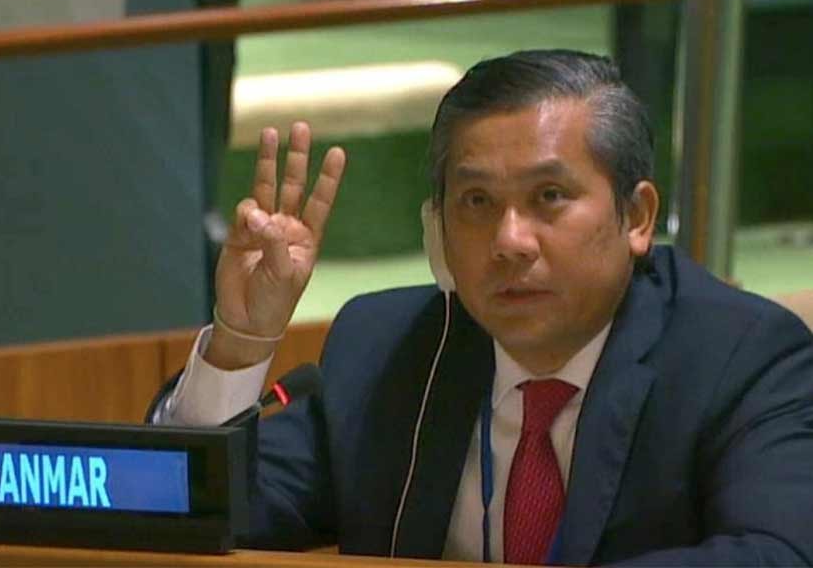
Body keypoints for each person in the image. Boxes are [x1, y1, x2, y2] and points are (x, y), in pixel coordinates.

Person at [149, 50, 813, 565]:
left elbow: (780, 554)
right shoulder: (387, 348)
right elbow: (199, 517)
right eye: (476, 203)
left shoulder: (742, 356)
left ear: (637, 216)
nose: (509, 241)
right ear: (437, 224)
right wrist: (241, 338)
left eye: (549, 196)